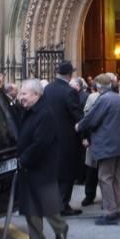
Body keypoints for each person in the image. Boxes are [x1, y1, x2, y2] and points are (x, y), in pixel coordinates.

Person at [16, 79, 68, 239]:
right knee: (31, 209)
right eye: (20, 93)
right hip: (28, 167)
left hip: (41, 167)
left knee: (46, 205)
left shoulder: (45, 114)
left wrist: (24, 159)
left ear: (36, 95)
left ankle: (61, 228)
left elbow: (41, 143)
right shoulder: (28, 111)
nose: (21, 97)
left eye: (24, 94)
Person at [75, 73, 120, 225]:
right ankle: (117, 207)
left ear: (98, 87)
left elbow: (92, 118)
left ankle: (110, 211)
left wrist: (79, 126)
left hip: (108, 145)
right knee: (118, 178)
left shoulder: (103, 100)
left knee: (105, 178)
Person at [43, 61, 84, 216]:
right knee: (67, 173)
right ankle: (62, 205)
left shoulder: (47, 89)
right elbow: (77, 115)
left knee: (55, 172)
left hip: (50, 137)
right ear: (69, 74)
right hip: (67, 139)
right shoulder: (69, 91)